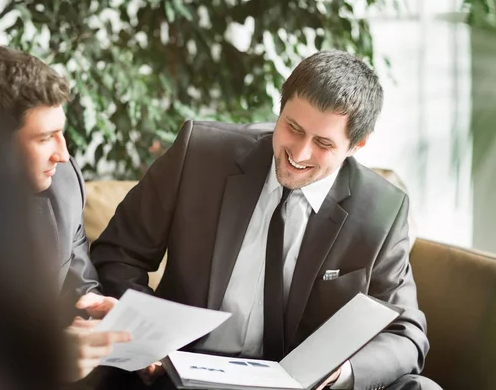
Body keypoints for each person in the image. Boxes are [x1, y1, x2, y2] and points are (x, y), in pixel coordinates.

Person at [91, 50, 441, 389]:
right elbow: (117, 254)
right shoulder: (198, 155)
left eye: (322, 143)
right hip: (185, 374)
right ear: (280, 108)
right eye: (292, 127)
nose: (299, 153)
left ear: (357, 145)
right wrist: (146, 338)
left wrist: (341, 374)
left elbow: (405, 333)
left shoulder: (381, 209)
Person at [0, 44, 130, 383]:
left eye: (61, 132)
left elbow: (76, 278)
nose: (63, 154)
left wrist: (90, 306)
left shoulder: (64, 183)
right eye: (45, 138)